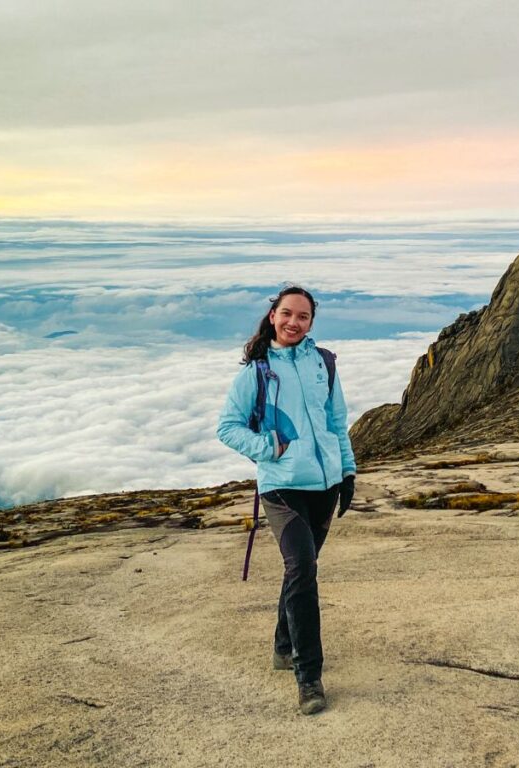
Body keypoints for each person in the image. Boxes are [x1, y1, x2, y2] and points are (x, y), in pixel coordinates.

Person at [216, 284, 356, 715]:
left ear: (312, 322)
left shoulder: (323, 363)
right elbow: (228, 427)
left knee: (301, 569)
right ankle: (308, 676)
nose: (295, 322)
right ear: (273, 315)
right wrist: (268, 447)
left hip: (325, 486)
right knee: (303, 571)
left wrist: (347, 472)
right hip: (282, 488)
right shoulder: (255, 372)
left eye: (304, 317)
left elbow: (337, 422)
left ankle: (282, 646)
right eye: (287, 314)